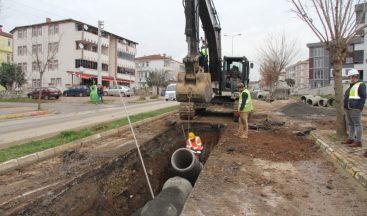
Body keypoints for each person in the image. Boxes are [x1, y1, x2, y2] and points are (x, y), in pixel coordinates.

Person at [341, 69, 366, 156]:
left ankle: (358, 141)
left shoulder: (361, 85)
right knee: (350, 124)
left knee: (357, 124)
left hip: (355, 108)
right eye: (349, 77)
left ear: (355, 76)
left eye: (350, 77)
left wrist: (360, 107)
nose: (349, 78)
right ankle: (351, 139)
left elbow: (363, 97)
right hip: (348, 108)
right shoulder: (350, 86)